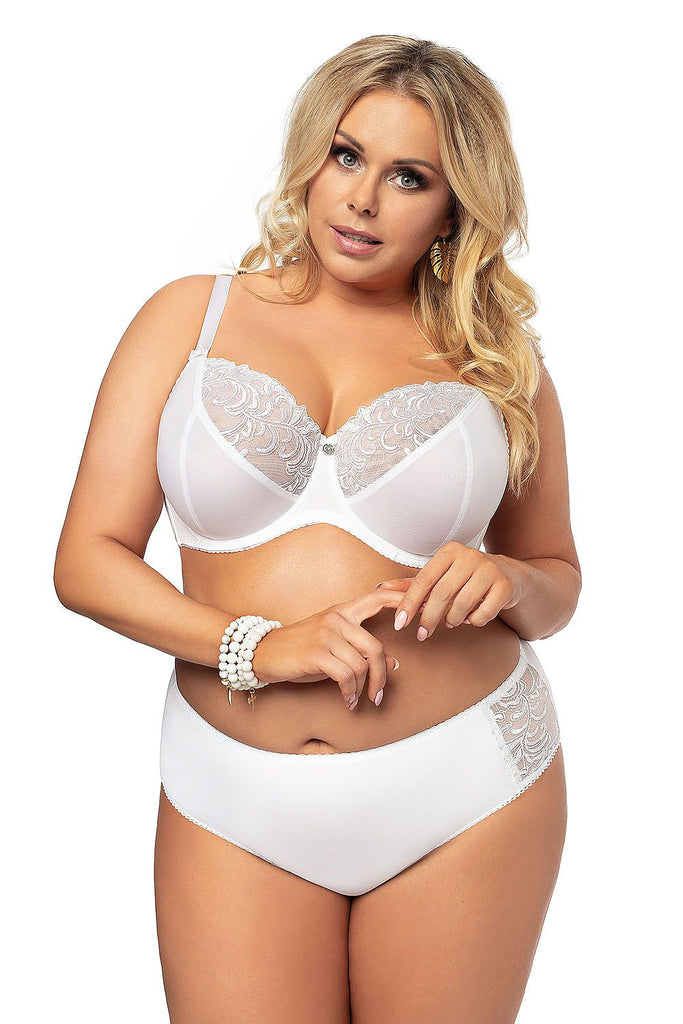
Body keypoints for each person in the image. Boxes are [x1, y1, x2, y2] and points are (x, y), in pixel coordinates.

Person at [53, 33, 581, 1024]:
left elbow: (555, 579)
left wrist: (509, 582)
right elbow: (86, 560)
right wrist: (255, 647)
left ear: (453, 207)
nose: (362, 199)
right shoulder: (189, 319)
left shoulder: (498, 362)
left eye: (408, 176)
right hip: (233, 797)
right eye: (346, 156)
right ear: (311, 155)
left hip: (467, 786)